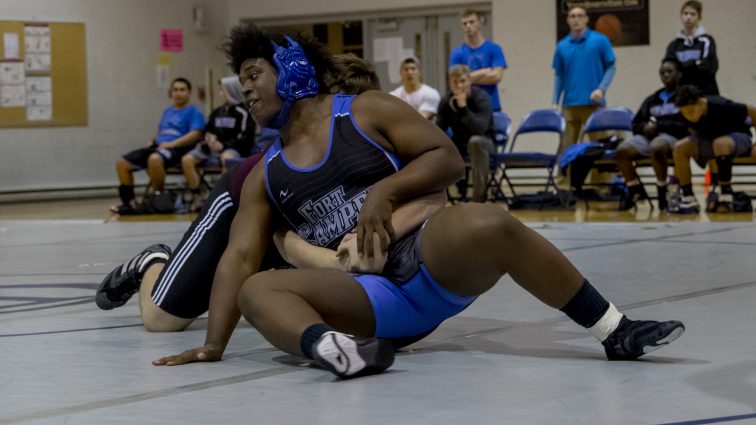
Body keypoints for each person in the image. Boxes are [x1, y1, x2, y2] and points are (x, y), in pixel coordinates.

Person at [150, 25, 684, 379]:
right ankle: (339, 351)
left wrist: (385, 189)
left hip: (428, 255)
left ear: (291, 68)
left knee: (488, 221)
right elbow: (239, 258)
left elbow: (447, 158)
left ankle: (614, 329)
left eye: (252, 75)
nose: (243, 90)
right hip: (371, 300)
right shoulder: (264, 174)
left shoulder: (363, 110)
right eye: (239, 81)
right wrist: (214, 344)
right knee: (259, 287)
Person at [95, 52, 445, 332]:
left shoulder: (383, 136)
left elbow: (436, 193)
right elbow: (282, 239)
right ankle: (154, 263)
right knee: (162, 320)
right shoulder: (272, 170)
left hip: (297, 226)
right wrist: (347, 262)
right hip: (241, 207)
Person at [112, 78, 205, 215]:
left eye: (182, 90)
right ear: (170, 93)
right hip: (160, 147)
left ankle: (159, 201)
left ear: (189, 92)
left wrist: (172, 144)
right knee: (122, 163)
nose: (178, 93)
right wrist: (152, 140)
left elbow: (195, 134)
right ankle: (129, 203)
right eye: (175, 90)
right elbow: (161, 131)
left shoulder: (194, 112)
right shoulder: (167, 111)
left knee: (154, 159)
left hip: (178, 149)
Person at [552, 6, 617, 190]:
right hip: (570, 105)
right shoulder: (562, 45)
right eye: (572, 16)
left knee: (598, 147)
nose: (576, 20)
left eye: (580, 16)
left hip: (594, 105)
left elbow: (611, 67)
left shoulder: (600, 40)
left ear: (587, 19)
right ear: (567, 20)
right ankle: (564, 187)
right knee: (566, 148)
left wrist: (601, 88)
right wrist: (555, 100)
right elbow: (559, 75)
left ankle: (601, 186)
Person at [615, 58, 689, 211]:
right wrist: (645, 128)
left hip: (673, 137)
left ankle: (662, 190)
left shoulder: (685, 97)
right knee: (622, 150)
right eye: (662, 72)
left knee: (657, 146)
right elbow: (635, 124)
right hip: (648, 137)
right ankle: (633, 189)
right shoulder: (652, 99)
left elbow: (686, 125)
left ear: (679, 75)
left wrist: (659, 126)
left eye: (670, 72)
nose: (666, 75)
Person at [671, 85, 755, 213]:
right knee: (680, 147)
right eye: (685, 113)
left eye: (691, 111)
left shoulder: (721, 104)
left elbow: (751, 110)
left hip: (739, 138)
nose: (689, 116)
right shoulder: (682, 114)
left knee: (720, 143)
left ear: (701, 103)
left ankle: (725, 193)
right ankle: (688, 197)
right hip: (710, 141)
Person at [181, 77, 255, 212]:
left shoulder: (244, 112)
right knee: (187, 160)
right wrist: (209, 138)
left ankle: (225, 199)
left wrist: (223, 146)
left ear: (232, 91)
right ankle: (199, 194)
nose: (220, 94)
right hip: (210, 149)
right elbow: (206, 130)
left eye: (222, 91)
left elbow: (246, 140)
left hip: (233, 149)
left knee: (227, 159)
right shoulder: (217, 112)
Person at [436, 64, 495, 203]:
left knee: (475, 141)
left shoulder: (481, 98)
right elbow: (439, 130)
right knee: (437, 144)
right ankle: (440, 198)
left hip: (485, 143)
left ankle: (479, 199)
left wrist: (463, 108)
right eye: (455, 82)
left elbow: (479, 129)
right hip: (460, 143)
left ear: (469, 81)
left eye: (462, 81)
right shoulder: (446, 101)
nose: (459, 85)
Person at [449, 9, 507, 112]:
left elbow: (496, 77)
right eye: (464, 23)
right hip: (467, 107)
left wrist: (467, 78)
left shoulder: (494, 49)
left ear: (480, 22)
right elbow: (456, 81)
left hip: (491, 106)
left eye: (471, 22)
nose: (468, 26)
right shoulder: (457, 53)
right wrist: (484, 71)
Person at [665, 1, 719, 96]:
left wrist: (681, 68)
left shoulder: (707, 41)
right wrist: (695, 63)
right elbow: (669, 71)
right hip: (681, 96)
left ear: (699, 17)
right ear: (681, 16)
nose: (688, 17)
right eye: (685, 13)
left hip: (706, 93)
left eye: (692, 14)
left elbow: (709, 68)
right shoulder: (674, 45)